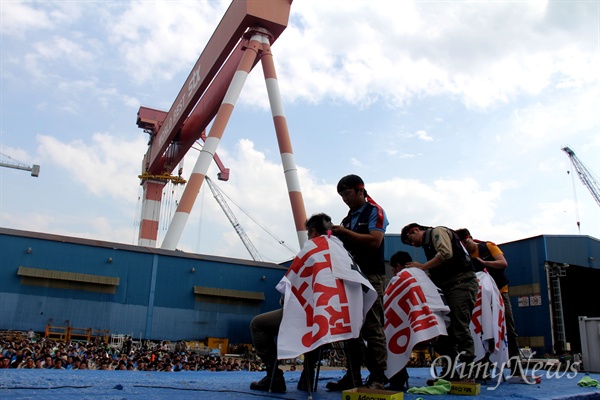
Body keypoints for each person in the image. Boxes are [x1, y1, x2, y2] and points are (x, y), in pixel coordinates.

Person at [248, 213, 336, 393]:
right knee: (317, 324)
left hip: (308, 316)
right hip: (335, 320)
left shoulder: (310, 251)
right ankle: (307, 377)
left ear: (312, 231)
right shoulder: (341, 252)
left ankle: (274, 376)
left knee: (258, 324)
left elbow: (289, 286)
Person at [328, 174, 389, 391]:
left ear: (360, 191)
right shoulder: (348, 219)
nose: (345, 198)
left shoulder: (375, 211)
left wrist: (345, 232)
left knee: (372, 326)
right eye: (341, 195)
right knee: (350, 327)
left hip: (371, 275)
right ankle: (352, 375)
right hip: (350, 276)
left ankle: (378, 376)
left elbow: (375, 241)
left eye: (347, 193)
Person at [401, 223, 478, 380]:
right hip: (449, 286)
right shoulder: (429, 246)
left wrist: (422, 267)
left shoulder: (438, 232)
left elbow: (446, 254)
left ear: (416, 230)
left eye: (411, 239)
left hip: (460, 284)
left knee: (459, 327)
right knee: (444, 331)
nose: (413, 245)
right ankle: (450, 370)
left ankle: (468, 370)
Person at [455, 228, 519, 373]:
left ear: (470, 238)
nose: (465, 246)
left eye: (465, 242)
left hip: (499, 293)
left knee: (508, 326)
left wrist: (483, 263)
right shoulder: (463, 256)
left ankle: (516, 367)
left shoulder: (488, 246)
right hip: (478, 296)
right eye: (462, 244)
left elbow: (503, 263)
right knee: (478, 328)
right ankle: (480, 365)